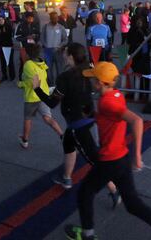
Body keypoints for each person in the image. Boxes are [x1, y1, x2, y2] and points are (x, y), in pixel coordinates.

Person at [64, 62, 151, 240]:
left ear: (100, 82)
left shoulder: (107, 102)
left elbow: (136, 121)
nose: (91, 81)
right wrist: (95, 117)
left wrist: (137, 155)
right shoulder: (116, 95)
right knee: (133, 204)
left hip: (109, 160)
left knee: (84, 193)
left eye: (93, 78)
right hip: (120, 158)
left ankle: (88, 235)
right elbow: (113, 118)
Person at [34, 43, 121, 207]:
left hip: (78, 124)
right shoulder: (89, 69)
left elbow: (52, 103)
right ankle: (66, 177)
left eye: (66, 54)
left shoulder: (65, 77)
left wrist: (37, 89)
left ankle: (114, 189)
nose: (64, 56)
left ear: (72, 57)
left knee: (94, 159)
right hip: (88, 117)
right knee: (68, 144)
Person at [18, 43, 63, 149]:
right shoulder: (41, 62)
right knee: (48, 118)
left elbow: (32, 82)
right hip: (44, 95)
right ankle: (62, 135)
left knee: (28, 119)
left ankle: (25, 140)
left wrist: (20, 84)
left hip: (32, 97)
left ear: (28, 54)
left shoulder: (28, 65)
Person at [127, 16, 151, 92]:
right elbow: (130, 42)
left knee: (147, 75)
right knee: (138, 76)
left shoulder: (145, 30)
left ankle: (148, 92)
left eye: (140, 21)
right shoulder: (132, 31)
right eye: (137, 21)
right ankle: (139, 92)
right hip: (137, 57)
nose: (139, 23)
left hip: (145, 56)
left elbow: (150, 40)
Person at [42, 11, 68, 83]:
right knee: (48, 70)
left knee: (59, 70)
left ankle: (59, 84)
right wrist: (45, 46)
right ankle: (50, 85)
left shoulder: (61, 27)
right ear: (50, 18)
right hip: (48, 52)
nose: (55, 19)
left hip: (58, 51)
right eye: (53, 18)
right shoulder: (45, 27)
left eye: (56, 18)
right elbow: (42, 38)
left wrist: (60, 46)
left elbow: (65, 39)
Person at [0, 16, 16, 81]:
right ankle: (4, 75)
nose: (1, 21)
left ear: (4, 20)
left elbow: (10, 36)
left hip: (9, 46)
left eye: (2, 19)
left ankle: (12, 76)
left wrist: (3, 33)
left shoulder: (8, 26)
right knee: (2, 62)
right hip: (1, 47)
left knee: (10, 62)